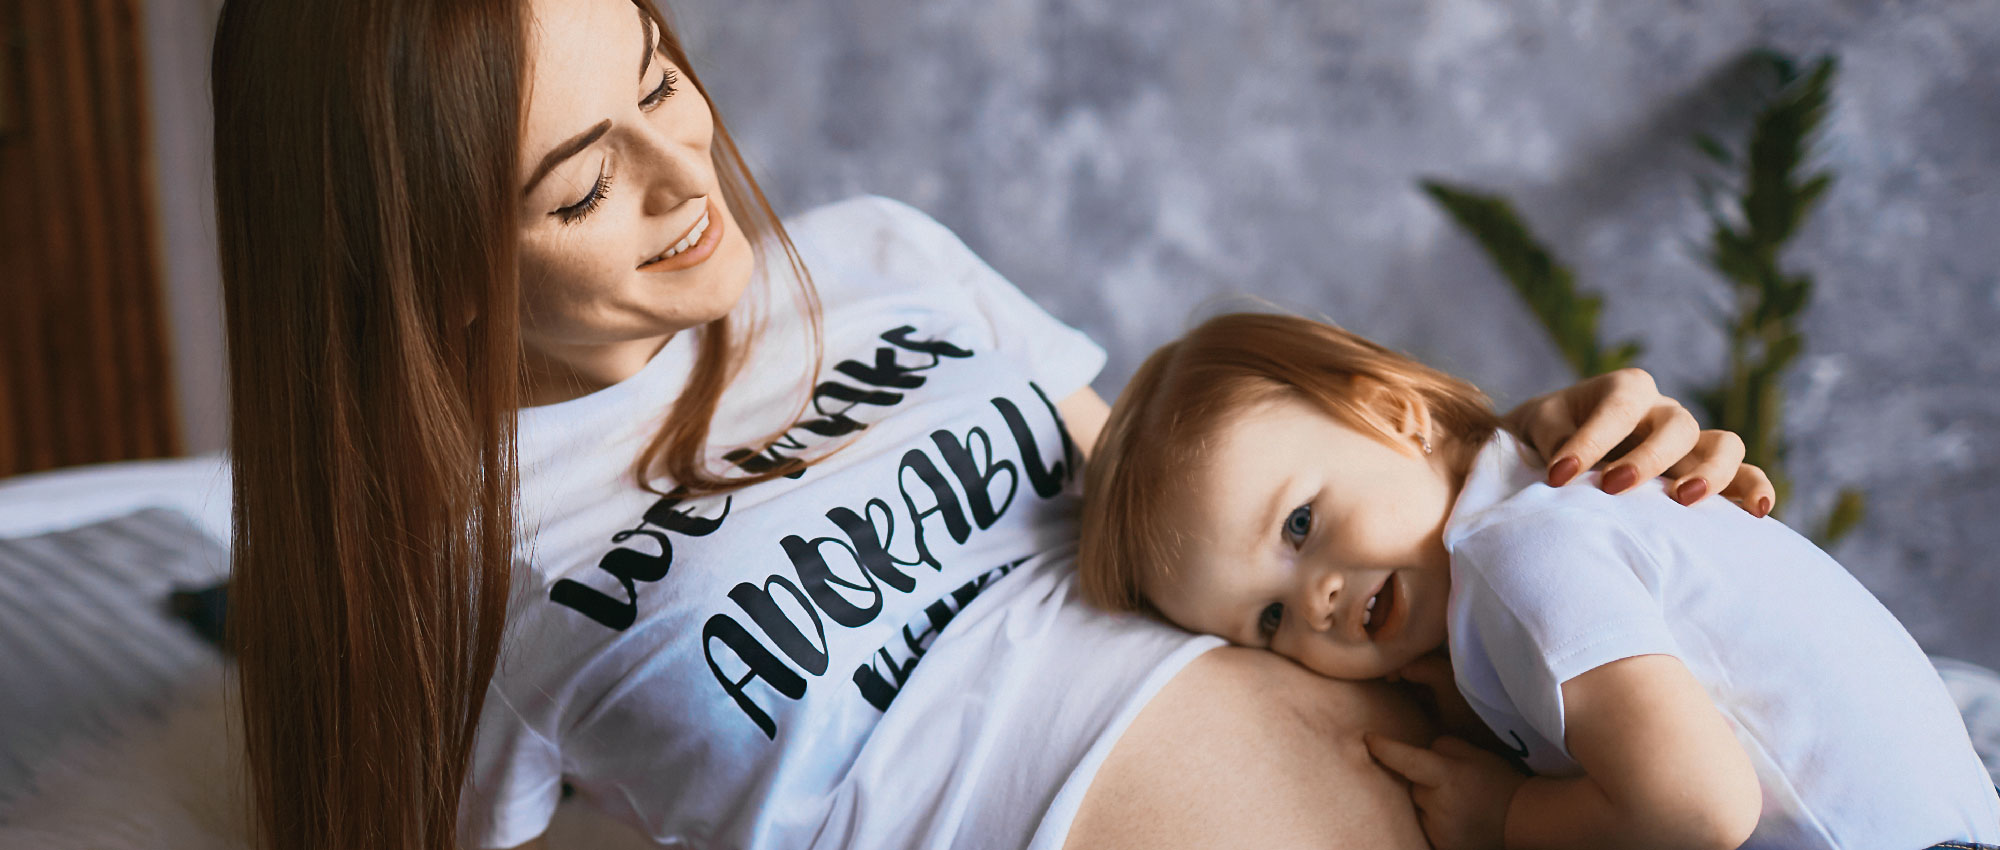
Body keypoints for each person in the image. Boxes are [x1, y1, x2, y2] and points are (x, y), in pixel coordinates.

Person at [208, 0, 1781, 847]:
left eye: (661, 80)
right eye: (582, 182)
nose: (689, 179)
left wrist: (1526, 471)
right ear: (414, 266)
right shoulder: (454, 568)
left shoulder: (881, 258)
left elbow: (1193, 523)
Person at [1078, 312, 2000, 850]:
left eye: (1300, 525)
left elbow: (1698, 806)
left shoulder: (1520, 554)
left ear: (1395, 415)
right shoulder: (1532, 519)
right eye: (1269, 618)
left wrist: (1506, 814)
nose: (1313, 597)